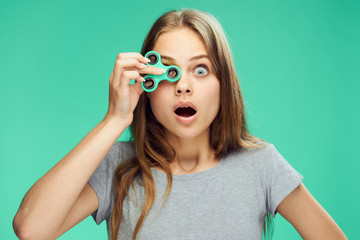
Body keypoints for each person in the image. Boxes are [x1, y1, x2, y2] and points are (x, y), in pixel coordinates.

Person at [13, 8, 347, 240]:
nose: (183, 86)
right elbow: (30, 229)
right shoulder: (119, 166)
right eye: (169, 72)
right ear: (147, 85)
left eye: (200, 70)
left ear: (223, 85)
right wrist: (114, 119)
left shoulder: (261, 166)